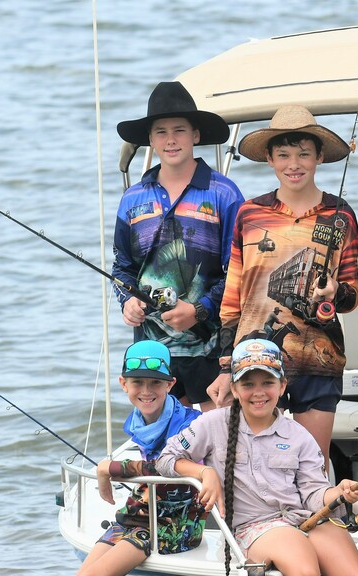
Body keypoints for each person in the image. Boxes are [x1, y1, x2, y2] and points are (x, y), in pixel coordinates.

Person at [156, 339, 358, 576]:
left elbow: (312, 494)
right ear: (234, 388)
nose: (258, 392)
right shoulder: (211, 424)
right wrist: (203, 472)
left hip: (307, 518)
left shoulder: (299, 435)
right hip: (256, 527)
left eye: (267, 382)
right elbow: (166, 459)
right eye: (248, 383)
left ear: (282, 385)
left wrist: (338, 493)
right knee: (306, 574)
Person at [206, 106, 358, 468]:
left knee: (312, 463)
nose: (295, 164)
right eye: (284, 155)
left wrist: (335, 292)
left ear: (319, 157)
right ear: (270, 160)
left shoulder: (342, 215)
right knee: (249, 463)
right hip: (253, 358)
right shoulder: (249, 213)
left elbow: (351, 294)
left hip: (317, 361)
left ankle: (315, 525)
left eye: (304, 154)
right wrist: (226, 365)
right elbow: (231, 299)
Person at [63, 340, 204, 576]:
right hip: (139, 514)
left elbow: (171, 466)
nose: (146, 390)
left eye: (155, 383)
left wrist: (110, 469)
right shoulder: (140, 420)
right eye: (137, 382)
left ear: (171, 384)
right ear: (123, 383)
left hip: (172, 524)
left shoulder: (190, 423)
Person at [113, 80, 244, 411]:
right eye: (161, 132)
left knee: (216, 441)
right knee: (163, 450)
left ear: (195, 136)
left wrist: (198, 310)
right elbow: (122, 269)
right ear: (151, 141)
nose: (170, 140)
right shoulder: (132, 200)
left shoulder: (224, 194)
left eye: (180, 130)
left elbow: (239, 273)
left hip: (212, 347)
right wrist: (127, 301)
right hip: (151, 351)